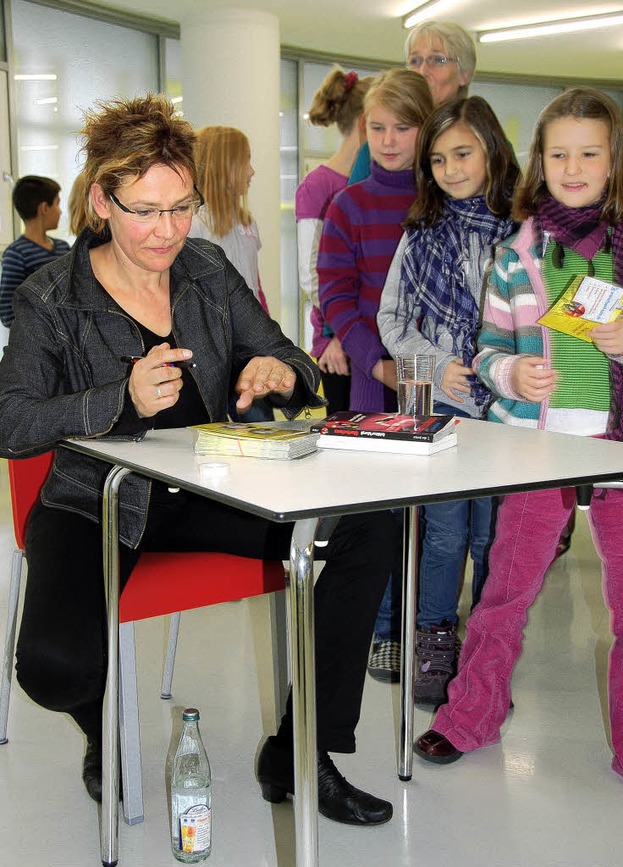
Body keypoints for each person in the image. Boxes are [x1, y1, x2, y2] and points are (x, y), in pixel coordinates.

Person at [0, 94, 398, 826]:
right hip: (95, 499)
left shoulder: (207, 267)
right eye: (145, 211)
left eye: (182, 207)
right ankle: (101, 734)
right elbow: (13, 418)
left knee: (366, 522)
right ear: (100, 201)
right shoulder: (48, 295)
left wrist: (278, 374)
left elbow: (291, 356)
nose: (167, 232)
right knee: (56, 669)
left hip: (210, 489)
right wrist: (118, 396)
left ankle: (301, 750)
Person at [414, 88, 623, 785]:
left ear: (614, 161)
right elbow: (485, 350)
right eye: (559, 152)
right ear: (539, 161)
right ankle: (469, 716)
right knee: (503, 592)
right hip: (538, 452)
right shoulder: (517, 255)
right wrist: (511, 372)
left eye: (590, 153)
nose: (573, 166)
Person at [376, 97, 520, 704]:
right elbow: (391, 319)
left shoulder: (524, 231)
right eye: (437, 159)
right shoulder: (421, 234)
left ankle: (489, 650)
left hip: (507, 413)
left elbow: (534, 319)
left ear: (492, 149)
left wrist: (500, 368)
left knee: (493, 535)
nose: (451, 169)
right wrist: (437, 368)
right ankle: (434, 637)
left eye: (462, 153)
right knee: (440, 533)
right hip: (440, 407)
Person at [318, 68, 434, 415]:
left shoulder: (443, 203)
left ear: (426, 128)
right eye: (378, 128)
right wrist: (377, 365)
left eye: (402, 128)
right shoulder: (347, 206)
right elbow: (335, 298)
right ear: (364, 126)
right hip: (373, 374)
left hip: (440, 372)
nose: (388, 142)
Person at [295, 67, 372, 415]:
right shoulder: (318, 186)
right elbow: (312, 275)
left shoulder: (379, 182)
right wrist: (339, 331)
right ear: (366, 121)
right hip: (336, 345)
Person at [189, 125, 272, 422]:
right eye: (245, 161)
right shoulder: (196, 225)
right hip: (214, 350)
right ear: (225, 167)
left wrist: (266, 337)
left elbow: (256, 286)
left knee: (261, 424)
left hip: (249, 347)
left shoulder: (247, 223)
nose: (251, 172)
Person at [348, 20, 476, 184]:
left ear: (465, 73)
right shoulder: (382, 146)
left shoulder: (484, 140)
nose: (422, 71)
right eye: (415, 61)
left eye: (437, 60)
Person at [0, 175, 70, 327]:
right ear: (44, 208)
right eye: (57, 204)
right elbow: (7, 313)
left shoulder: (64, 248)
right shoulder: (16, 255)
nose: (60, 212)